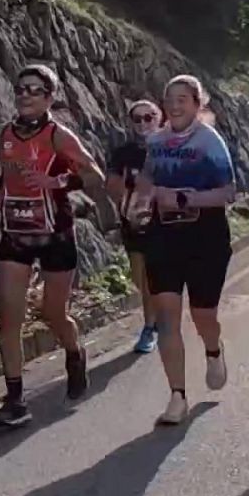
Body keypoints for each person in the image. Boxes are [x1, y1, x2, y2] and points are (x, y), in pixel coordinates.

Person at [0, 64, 107, 429]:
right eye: (20, 88)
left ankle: (74, 353)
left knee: (53, 313)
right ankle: (15, 399)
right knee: (9, 316)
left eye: (34, 90)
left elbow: (93, 175)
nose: (24, 95)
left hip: (56, 233)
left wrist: (53, 180)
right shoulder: (6, 133)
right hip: (16, 233)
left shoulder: (59, 136)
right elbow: (7, 175)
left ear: (49, 97)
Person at [128, 75, 238, 425]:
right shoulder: (157, 141)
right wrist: (139, 201)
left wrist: (184, 197)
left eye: (182, 99)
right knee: (167, 316)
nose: (174, 105)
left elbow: (228, 192)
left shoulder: (209, 141)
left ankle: (213, 349)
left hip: (206, 236)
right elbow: (148, 177)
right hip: (164, 236)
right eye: (169, 98)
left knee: (203, 314)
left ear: (196, 103)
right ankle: (177, 396)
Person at [106, 100, 163, 354]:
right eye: (137, 119)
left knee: (153, 278)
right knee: (140, 278)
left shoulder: (170, 147)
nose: (143, 124)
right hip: (133, 222)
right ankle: (158, 314)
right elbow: (111, 185)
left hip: (165, 223)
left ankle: (150, 326)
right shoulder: (123, 153)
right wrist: (127, 188)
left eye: (148, 117)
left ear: (159, 118)